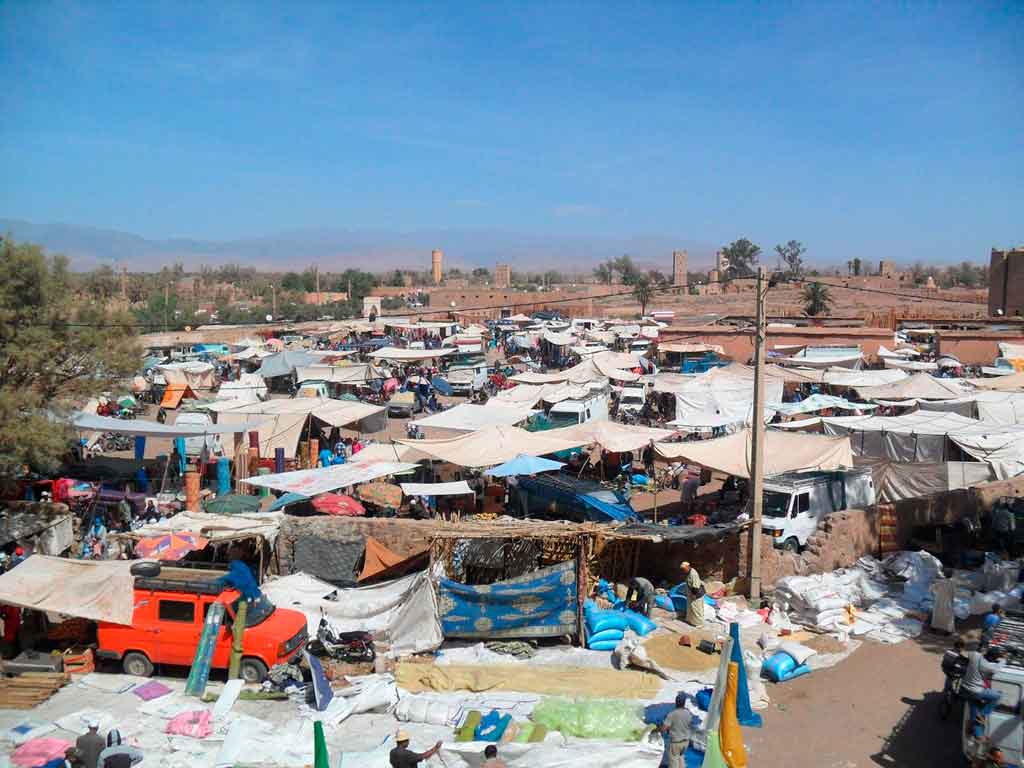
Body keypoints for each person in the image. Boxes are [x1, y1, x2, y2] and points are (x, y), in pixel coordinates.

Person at [961, 646, 1006, 728]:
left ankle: (974, 728)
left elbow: (967, 653)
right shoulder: (987, 666)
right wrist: (1003, 660)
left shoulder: (975, 655)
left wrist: (982, 652)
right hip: (975, 691)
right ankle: (982, 714)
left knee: (974, 707)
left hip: (965, 688)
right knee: (999, 696)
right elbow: (996, 669)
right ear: (992, 657)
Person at [660, 692, 694, 768]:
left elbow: (664, 728)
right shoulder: (688, 713)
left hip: (676, 742)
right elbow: (688, 725)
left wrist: (659, 731)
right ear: (684, 703)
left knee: (673, 762)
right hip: (686, 742)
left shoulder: (672, 714)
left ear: (676, 702)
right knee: (681, 758)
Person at [680, 562, 705, 628]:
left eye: (684, 569)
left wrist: (694, 595)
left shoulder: (693, 574)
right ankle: (690, 620)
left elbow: (695, 586)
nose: (683, 570)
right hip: (691, 594)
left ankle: (699, 623)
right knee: (690, 608)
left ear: (688, 567)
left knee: (696, 608)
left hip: (696, 594)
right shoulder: (689, 573)